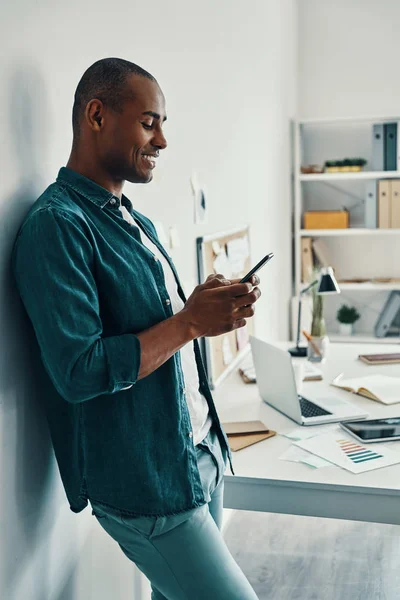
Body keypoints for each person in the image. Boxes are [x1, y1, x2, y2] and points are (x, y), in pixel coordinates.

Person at [12, 58, 261, 600]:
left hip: (196, 455)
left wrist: (205, 310)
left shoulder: (133, 219)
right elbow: (79, 371)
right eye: (150, 122)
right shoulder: (57, 226)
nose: (163, 140)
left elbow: (166, 332)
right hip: (149, 484)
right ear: (96, 115)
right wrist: (189, 320)